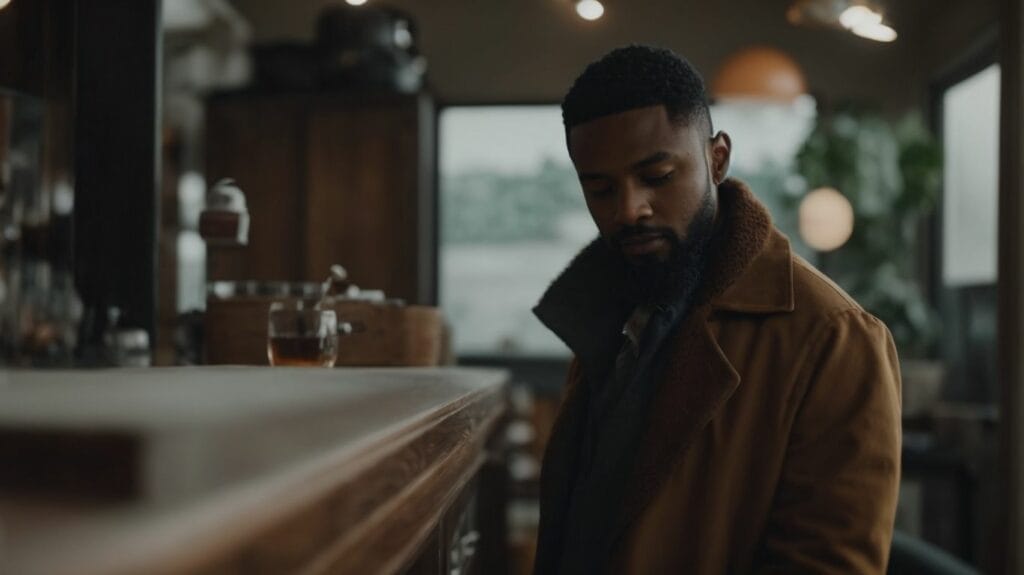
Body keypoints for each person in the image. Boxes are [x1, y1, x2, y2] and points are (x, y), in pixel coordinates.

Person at [532, 45, 901, 574]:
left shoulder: (834, 338)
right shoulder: (613, 308)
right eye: (601, 189)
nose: (629, 209)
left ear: (718, 158)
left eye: (657, 176)